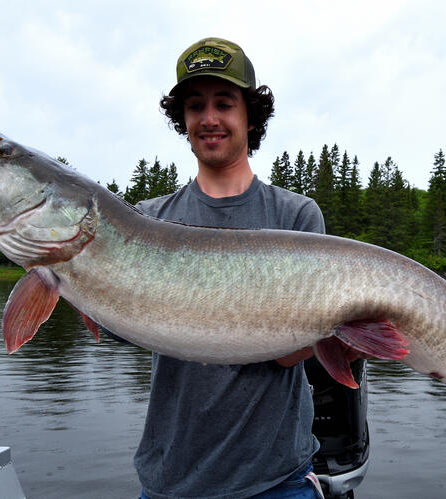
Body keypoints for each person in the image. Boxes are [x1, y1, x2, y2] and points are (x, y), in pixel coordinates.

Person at [132, 37, 325, 499]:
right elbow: (120, 325)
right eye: (195, 105)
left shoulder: (296, 217)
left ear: (251, 116)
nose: (209, 118)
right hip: (170, 481)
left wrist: (340, 332)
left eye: (224, 102)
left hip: (277, 481)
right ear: (182, 120)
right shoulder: (147, 220)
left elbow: (289, 351)